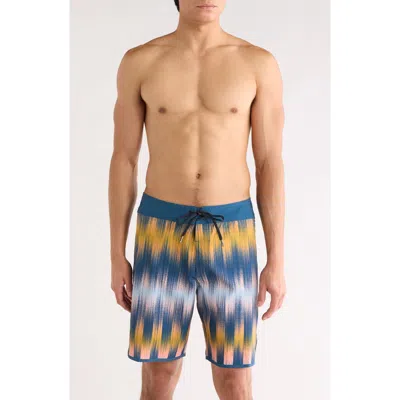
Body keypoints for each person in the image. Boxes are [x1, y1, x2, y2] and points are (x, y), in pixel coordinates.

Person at [108, 1, 286, 399]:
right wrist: (116, 254)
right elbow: (124, 160)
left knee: (235, 378)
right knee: (158, 375)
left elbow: (269, 163)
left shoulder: (257, 64)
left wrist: (276, 259)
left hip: (232, 236)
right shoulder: (141, 62)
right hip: (159, 235)